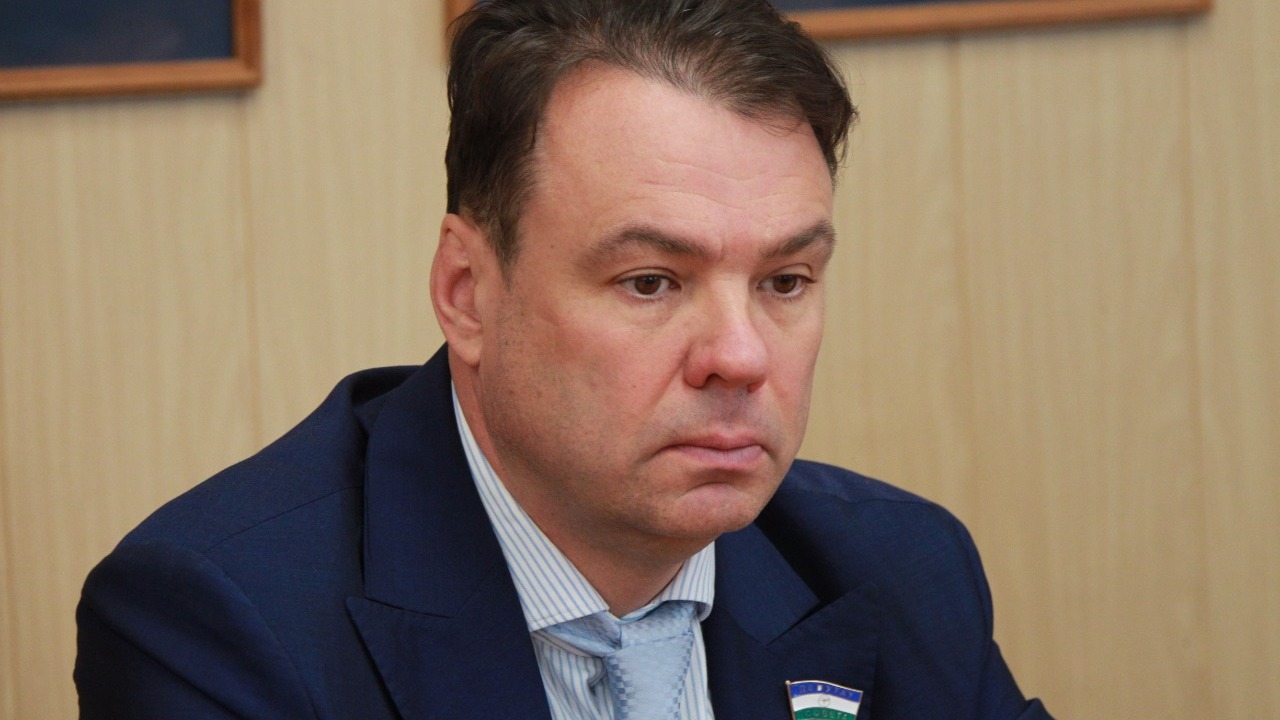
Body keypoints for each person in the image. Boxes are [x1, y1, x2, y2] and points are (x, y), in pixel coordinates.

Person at [75, 1, 1052, 718]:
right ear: (467, 292)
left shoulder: (898, 569)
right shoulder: (220, 620)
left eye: (784, 281)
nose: (741, 355)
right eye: (650, 282)